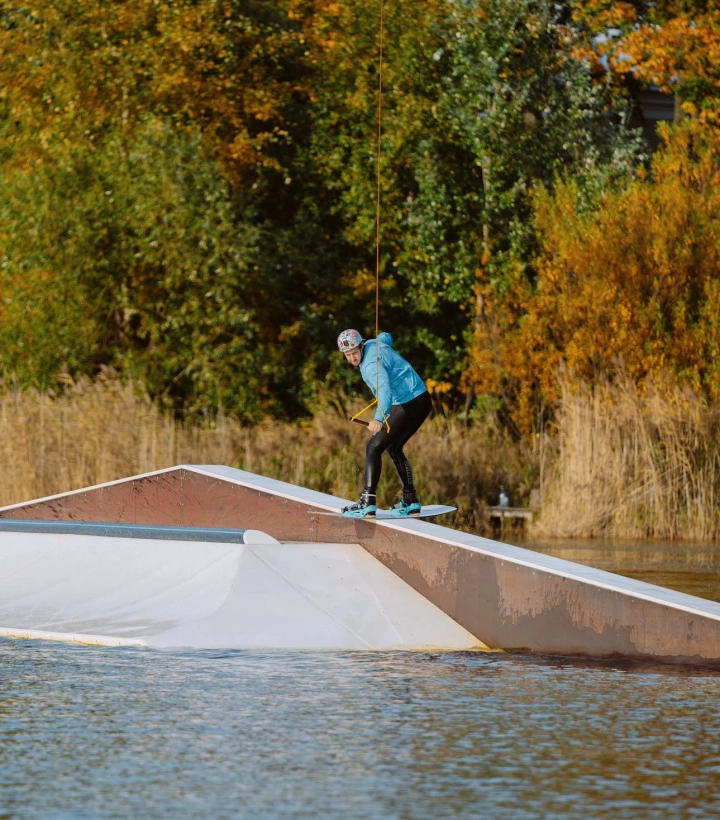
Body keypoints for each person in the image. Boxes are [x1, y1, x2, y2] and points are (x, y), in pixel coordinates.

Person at [337, 328, 432, 518]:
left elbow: (385, 392)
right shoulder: (375, 343)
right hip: (422, 400)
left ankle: (367, 501)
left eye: (354, 353)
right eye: (347, 355)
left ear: (361, 345)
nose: (353, 359)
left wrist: (378, 418)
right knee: (394, 447)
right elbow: (387, 337)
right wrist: (382, 337)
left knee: (374, 447)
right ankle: (410, 499)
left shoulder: (371, 366)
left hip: (406, 403)